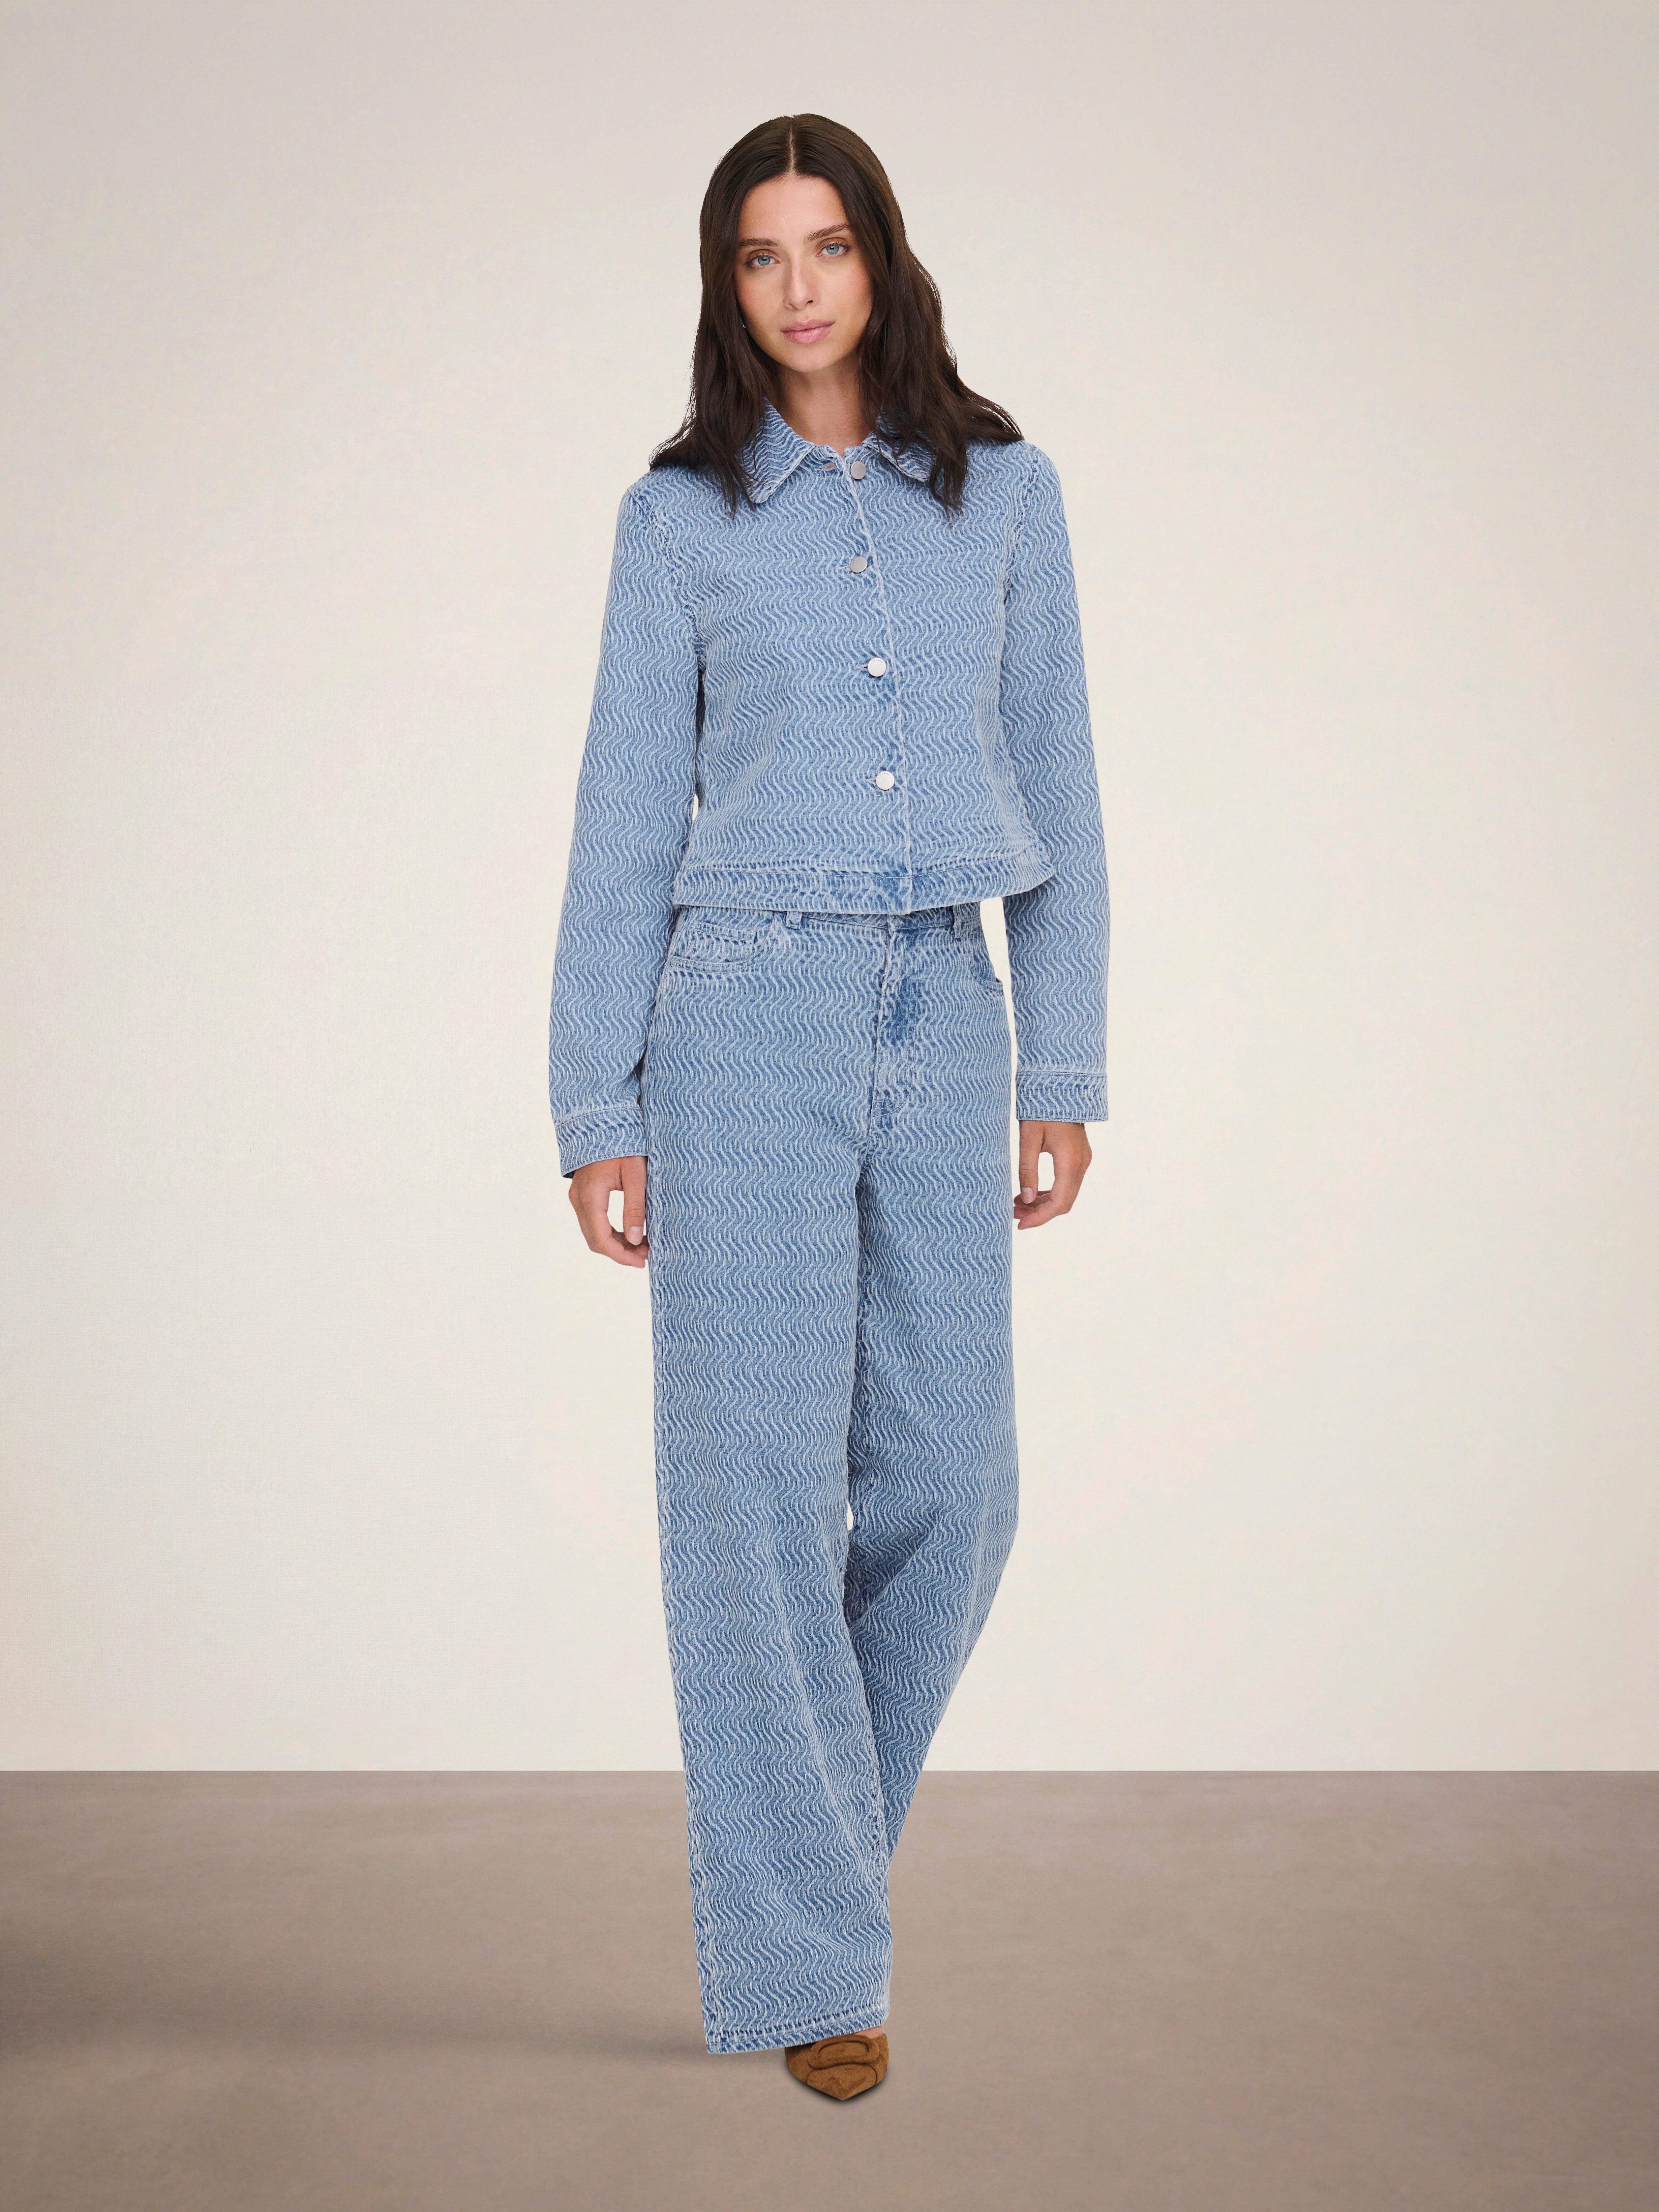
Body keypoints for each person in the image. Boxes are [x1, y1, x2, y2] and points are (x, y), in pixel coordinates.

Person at [547, 113, 1109, 2101]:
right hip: (740, 1020)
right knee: (757, 1496)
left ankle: (806, 1875)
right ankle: (815, 1961)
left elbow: (1064, 793)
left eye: (829, 245)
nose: (799, 286)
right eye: (760, 255)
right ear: (728, 284)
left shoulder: (1008, 496)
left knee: (960, 1483)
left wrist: (1065, 1065)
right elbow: (624, 821)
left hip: (947, 1005)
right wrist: (596, 1103)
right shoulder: (679, 518)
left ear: (884, 257)